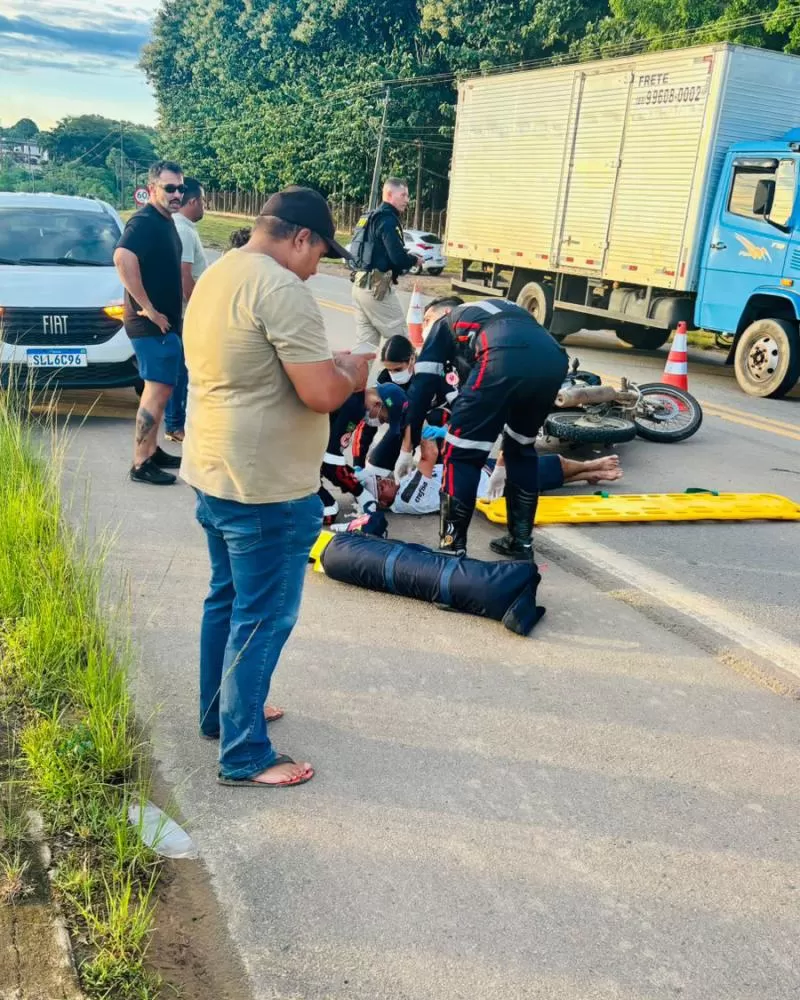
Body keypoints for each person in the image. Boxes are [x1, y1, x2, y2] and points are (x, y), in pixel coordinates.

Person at [181, 186, 371, 788]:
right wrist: (351, 371)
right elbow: (320, 393)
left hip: (214, 470)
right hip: (264, 486)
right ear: (300, 238)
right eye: (320, 256)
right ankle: (243, 754)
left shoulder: (222, 271)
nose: (319, 271)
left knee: (228, 599)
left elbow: (260, 368)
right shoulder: (280, 286)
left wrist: (326, 366)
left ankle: (224, 712)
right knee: (263, 617)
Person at [398, 297, 568, 558]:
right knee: (521, 447)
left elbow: (421, 389)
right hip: (553, 359)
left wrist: (406, 450)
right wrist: (501, 463)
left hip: (501, 355)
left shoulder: (444, 324)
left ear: (443, 312)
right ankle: (520, 542)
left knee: (461, 455)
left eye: (427, 320)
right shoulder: (495, 311)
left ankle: (451, 549)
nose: (424, 329)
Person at [114, 160, 185, 485]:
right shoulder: (144, 221)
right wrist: (149, 308)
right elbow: (122, 257)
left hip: (163, 326)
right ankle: (140, 463)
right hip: (150, 326)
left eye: (180, 188)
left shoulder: (164, 220)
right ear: (153, 188)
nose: (177, 193)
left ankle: (153, 450)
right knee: (156, 391)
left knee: (162, 389)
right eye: (170, 188)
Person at [351, 179, 419, 363]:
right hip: (377, 288)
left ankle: (356, 389)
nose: (407, 199)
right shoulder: (388, 219)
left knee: (366, 347)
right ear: (389, 195)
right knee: (402, 343)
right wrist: (414, 260)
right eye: (403, 195)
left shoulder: (369, 216)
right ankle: (405, 388)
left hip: (360, 285)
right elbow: (398, 258)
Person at [319, 382, 408, 524]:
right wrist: (361, 493)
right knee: (328, 512)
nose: (381, 422)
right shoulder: (354, 407)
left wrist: (353, 474)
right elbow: (331, 463)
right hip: (289, 456)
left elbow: (328, 458)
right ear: (378, 404)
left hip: (299, 450)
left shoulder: (353, 396)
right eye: (384, 418)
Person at [165, 177, 208, 444]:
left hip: (186, 313)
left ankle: (176, 422)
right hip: (185, 313)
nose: (204, 206)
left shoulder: (183, 227)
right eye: (202, 200)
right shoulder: (182, 230)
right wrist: (199, 310)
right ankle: (175, 425)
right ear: (193, 201)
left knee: (184, 369)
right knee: (181, 371)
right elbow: (184, 278)